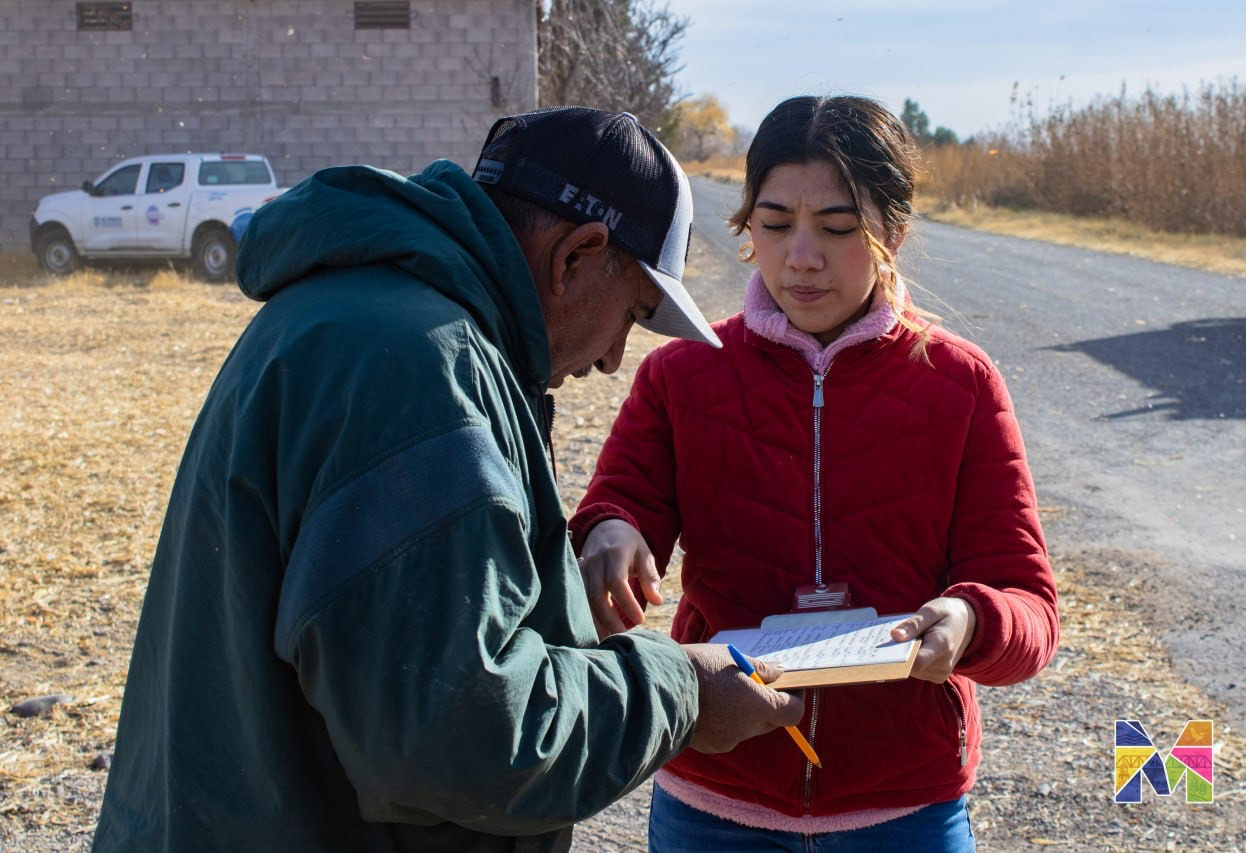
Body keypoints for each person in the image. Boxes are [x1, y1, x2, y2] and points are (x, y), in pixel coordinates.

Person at [92, 106, 804, 852]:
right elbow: (461, 734)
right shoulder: (424, 375)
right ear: (576, 256)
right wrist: (682, 690)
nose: (611, 361)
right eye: (632, 312)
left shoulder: (364, 317)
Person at [569, 95, 1060, 851]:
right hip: (715, 797)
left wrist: (969, 621)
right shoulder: (682, 374)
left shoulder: (961, 383)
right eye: (773, 224)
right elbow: (621, 502)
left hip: (907, 808)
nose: (802, 256)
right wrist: (610, 528)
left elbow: (1027, 603)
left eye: (837, 228)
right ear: (745, 227)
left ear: (893, 233)